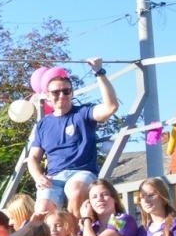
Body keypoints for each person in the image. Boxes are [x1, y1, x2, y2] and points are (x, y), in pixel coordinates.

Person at [26, 58, 119, 218]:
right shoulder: (43, 124)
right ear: (48, 96)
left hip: (82, 173)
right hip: (54, 177)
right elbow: (33, 157)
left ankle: (77, 233)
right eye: (56, 92)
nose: (61, 95)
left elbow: (111, 107)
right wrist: (38, 177)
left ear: (72, 93)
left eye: (66, 91)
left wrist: (99, 72)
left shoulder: (83, 113)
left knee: (75, 192)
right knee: (42, 210)